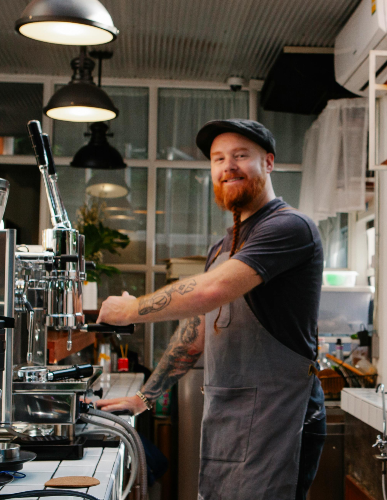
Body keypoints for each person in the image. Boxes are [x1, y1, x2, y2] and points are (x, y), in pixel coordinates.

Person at [94, 119, 326, 500]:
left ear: (268, 163)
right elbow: (196, 332)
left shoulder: (289, 227)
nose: (227, 166)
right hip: (228, 413)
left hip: (278, 416)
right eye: (218, 159)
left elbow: (212, 291)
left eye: (240, 155)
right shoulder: (223, 247)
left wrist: (132, 308)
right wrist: (146, 397)